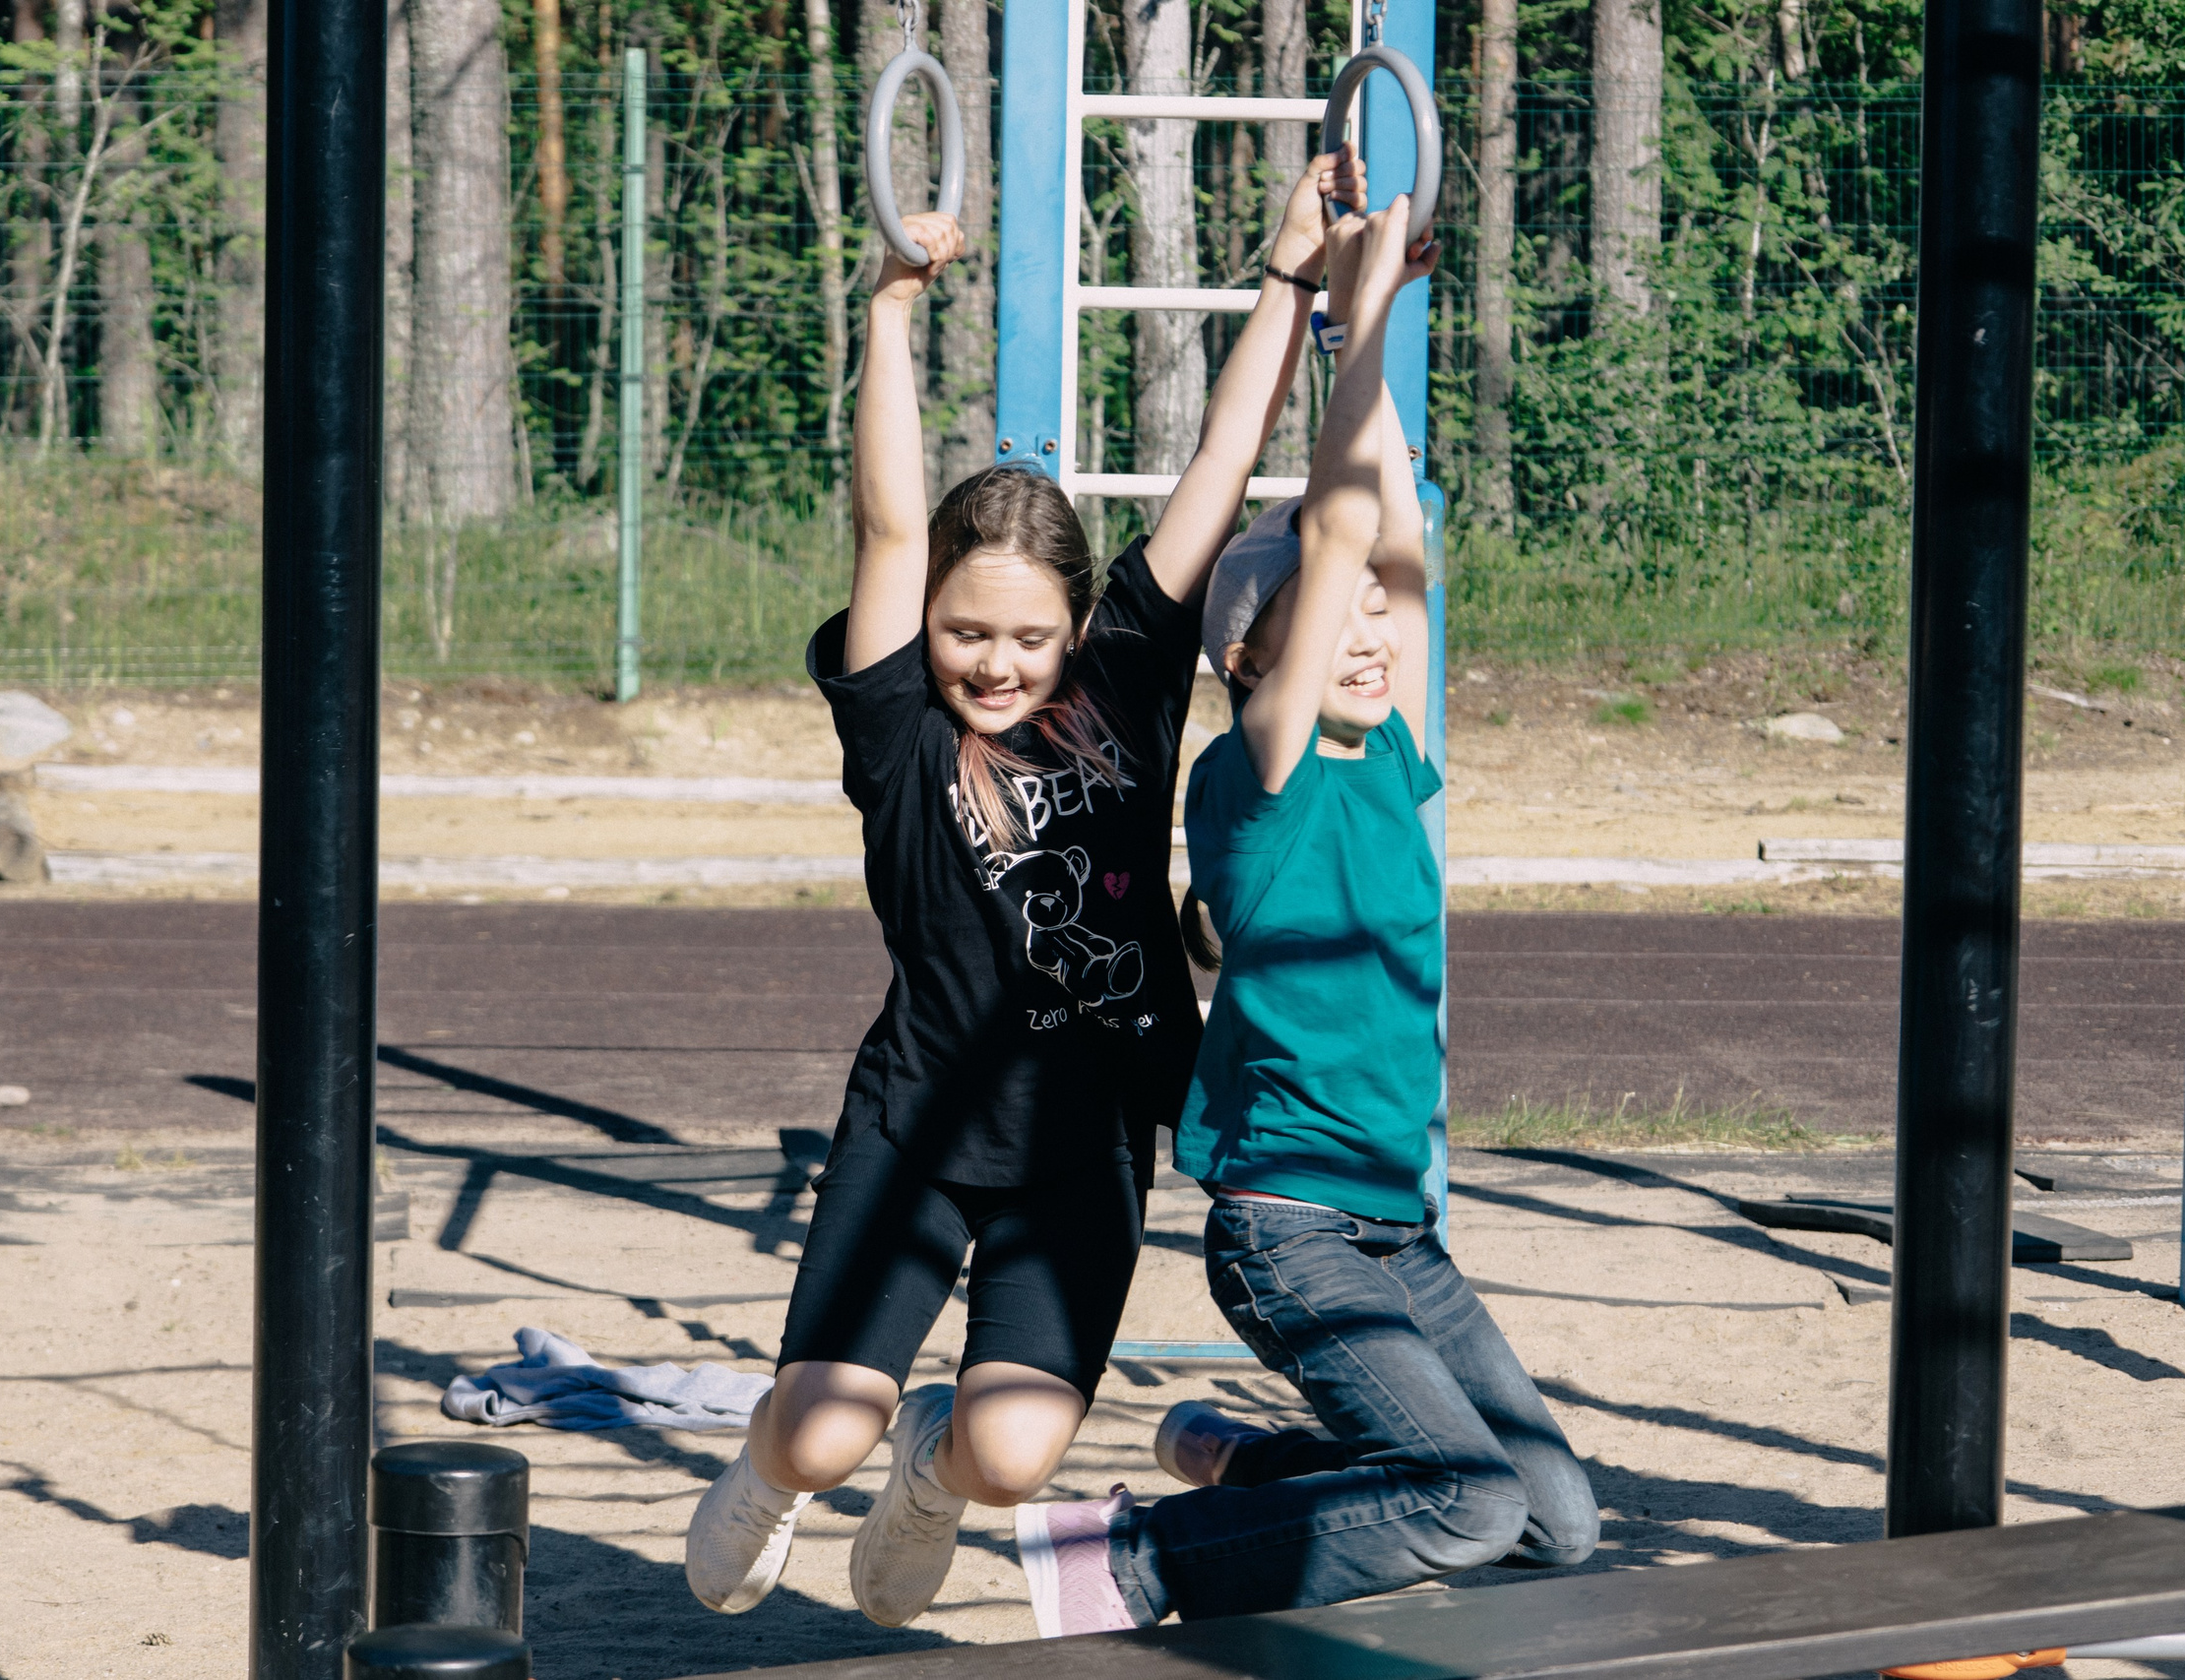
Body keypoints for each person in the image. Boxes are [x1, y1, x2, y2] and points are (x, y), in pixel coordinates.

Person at [685, 149, 1367, 1629]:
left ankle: (929, 1471)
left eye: (1027, 639)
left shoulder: (1127, 682)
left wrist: (1288, 277)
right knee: (816, 1427)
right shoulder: (899, 726)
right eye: (964, 633)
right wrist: (888, 309)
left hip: (1086, 1137)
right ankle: (772, 1474)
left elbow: (1221, 469)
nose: (994, 664)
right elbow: (883, 522)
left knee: (1010, 1456)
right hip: (919, 1121)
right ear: (925, 625)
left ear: (1078, 631)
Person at [1011, 198, 1601, 1636]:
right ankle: (1132, 1562)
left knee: (1556, 1528)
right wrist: (1357, 314)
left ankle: (1245, 1460)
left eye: (1381, 627)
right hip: (1293, 1230)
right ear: (1251, 661)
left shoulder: (1384, 760)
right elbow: (1343, 532)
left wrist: (1368, 324)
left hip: (1402, 1231)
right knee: (1464, 1504)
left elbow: (1385, 531)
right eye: (1330, 625)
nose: (1370, 634)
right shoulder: (1256, 780)